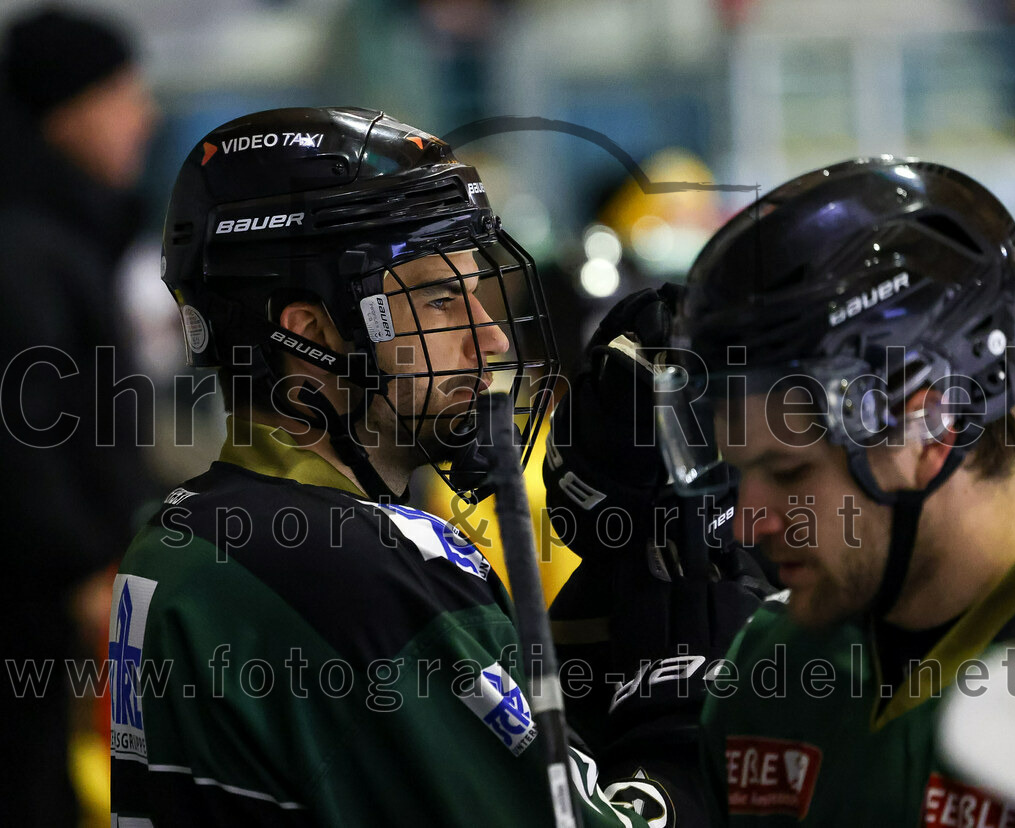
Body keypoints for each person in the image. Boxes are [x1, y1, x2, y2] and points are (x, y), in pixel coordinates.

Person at [109, 105, 694, 825]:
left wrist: (609, 592)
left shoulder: (180, 535)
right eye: (443, 301)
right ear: (314, 332)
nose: (491, 340)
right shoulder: (359, 569)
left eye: (480, 294)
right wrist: (683, 753)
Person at [667, 158, 1015, 824]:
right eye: (741, 471)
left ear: (931, 433)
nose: (747, 524)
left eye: (791, 473)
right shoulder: (772, 666)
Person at [0, 7, 158, 825]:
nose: (146, 114)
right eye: (124, 92)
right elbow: (26, 433)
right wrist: (82, 569)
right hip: (40, 596)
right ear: (67, 108)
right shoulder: (28, 244)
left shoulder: (67, 229)